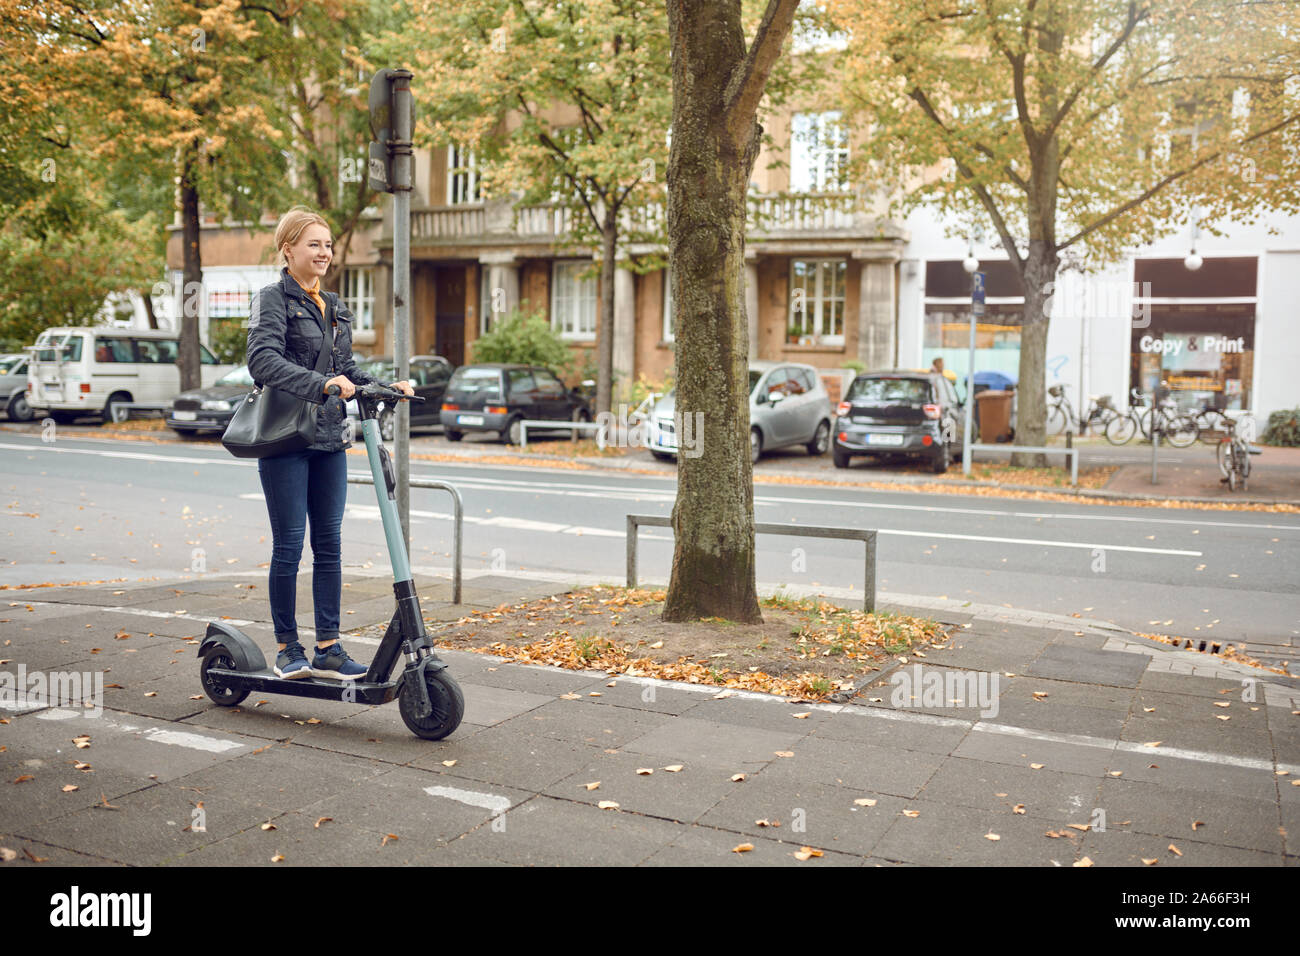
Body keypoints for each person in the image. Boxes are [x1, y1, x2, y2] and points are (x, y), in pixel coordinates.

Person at [245, 206, 415, 682]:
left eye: (328, 245)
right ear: (289, 249)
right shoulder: (271, 300)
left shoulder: (335, 305)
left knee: (329, 545)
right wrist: (321, 384)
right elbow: (262, 362)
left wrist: (385, 384)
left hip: (329, 439)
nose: (324, 253)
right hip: (284, 438)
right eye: (314, 244)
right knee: (289, 545)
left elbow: (347, 369)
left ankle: (329, 647)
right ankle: (287, 649)